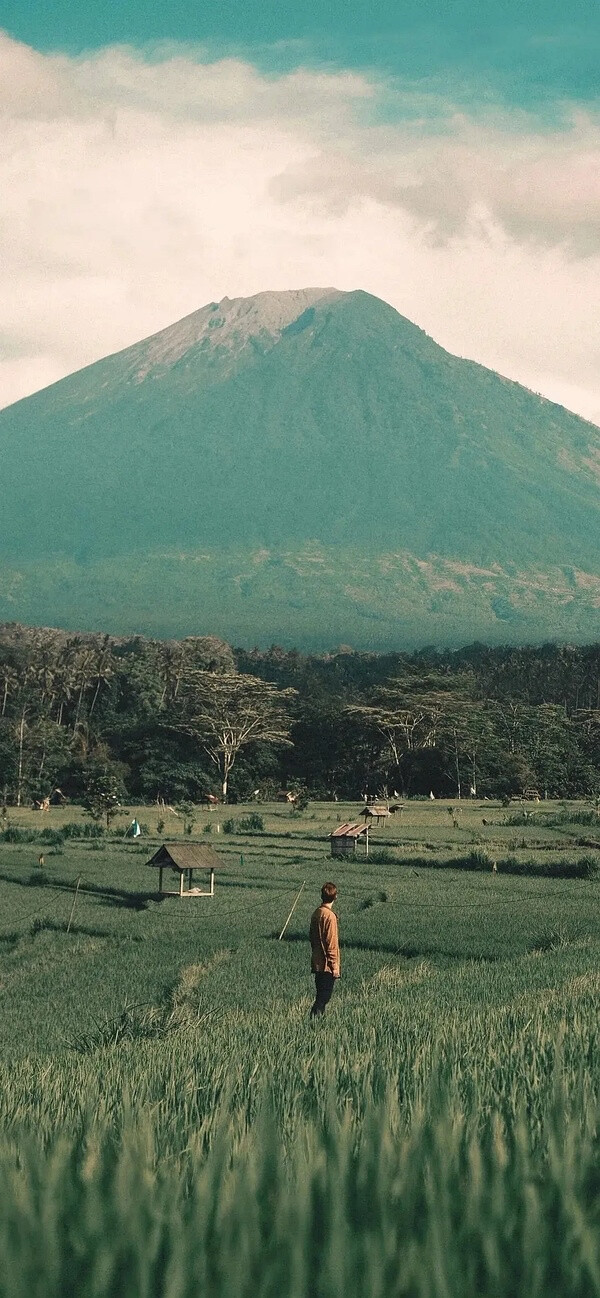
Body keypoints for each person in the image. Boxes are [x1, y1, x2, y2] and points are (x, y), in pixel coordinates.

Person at [309, 882, 340, 1017]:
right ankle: (313, 1022)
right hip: (327, 965)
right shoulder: (330, 916)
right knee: (323, 998)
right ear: (335, 897)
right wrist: (335, 967)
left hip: (317, 962)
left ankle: (316, 1022)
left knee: (320, 995)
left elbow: (311, 937)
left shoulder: (316, 913)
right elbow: (331, 943)